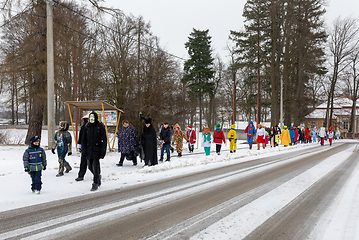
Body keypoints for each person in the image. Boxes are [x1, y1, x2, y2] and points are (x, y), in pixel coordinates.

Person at [82, 111, 107, 191]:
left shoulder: (100, 127)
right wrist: (83, 150)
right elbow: (84, 140)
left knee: (95, 166)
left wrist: (103, 152)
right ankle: (98, 176)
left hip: (97, 150)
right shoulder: (87, 127)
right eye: (90, 118)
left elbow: (104, 140)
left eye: (93, 117)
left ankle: (95, 182)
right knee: (89, 166)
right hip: (89, 150)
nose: (91, 119)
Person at [76, 114, 89, 181]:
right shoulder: (83, 127)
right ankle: (81, 175)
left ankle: (97, 175)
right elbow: (81, 136)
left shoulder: (86, 127)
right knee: (84, 162)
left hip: (88, 147)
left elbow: (80, 137)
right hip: (85, 147)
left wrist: (79, 145)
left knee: (90, 163)